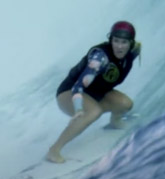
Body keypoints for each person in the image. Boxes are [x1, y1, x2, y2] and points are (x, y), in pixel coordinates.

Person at [45, 21, 142, 163]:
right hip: (70, 92)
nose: (119, 46)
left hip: (96, 92)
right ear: (111, 40)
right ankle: (54, 150)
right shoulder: (100, 58)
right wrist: (78, 108)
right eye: (116, 41)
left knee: (125, 104)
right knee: (92, 112)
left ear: (131, 43)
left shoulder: (133, 51)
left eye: (124, 42)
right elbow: (78, 87)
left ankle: (115, 122)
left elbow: (138, 47)